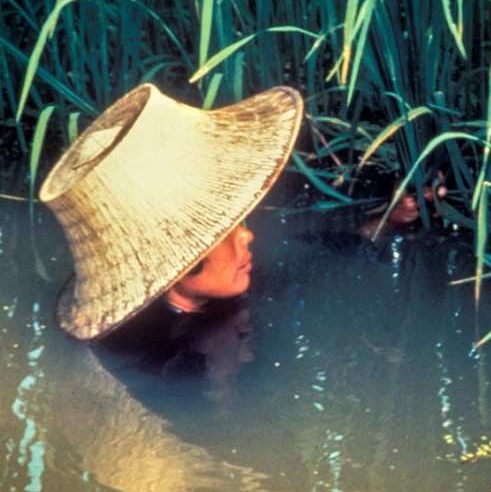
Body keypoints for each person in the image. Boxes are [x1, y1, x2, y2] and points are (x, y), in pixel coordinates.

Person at [40, 83, 304, 341]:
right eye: (220, 229)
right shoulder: (169, 361)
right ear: (175, 264)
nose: (246, 235)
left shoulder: (222, 312)